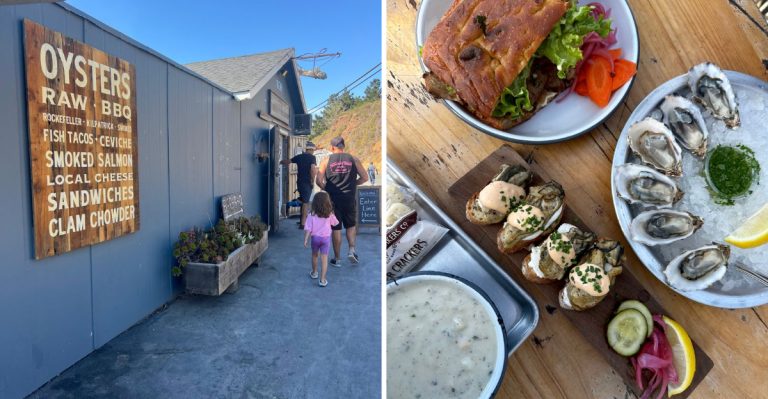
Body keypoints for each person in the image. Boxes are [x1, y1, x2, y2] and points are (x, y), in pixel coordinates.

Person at [316, 136, 368, 266]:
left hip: (333, 199)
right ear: (343, 146)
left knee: (336, 228)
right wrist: (353, 184)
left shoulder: (326, 161)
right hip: (349, 198)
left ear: (332, 147)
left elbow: (318, 180)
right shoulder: (353, 159)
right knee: (350, 225)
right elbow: (365, 178)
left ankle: (337, 259)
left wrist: (326, 188)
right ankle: (351, 250)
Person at [303, 191, 338, 287]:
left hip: (315, 239)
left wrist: (306, 239)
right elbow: (335, 223)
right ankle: (322, 280)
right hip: (326, 239)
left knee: (314, 256)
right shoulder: (329, 214)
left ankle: (314, 273)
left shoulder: (312, 214)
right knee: (324, 258)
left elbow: (308, 229)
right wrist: (332, 213)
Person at [280, 142, 317, 229]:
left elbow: (287, 161)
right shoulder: (312, 157)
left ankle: (300, 218)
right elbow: (312, 170)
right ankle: (303, 224)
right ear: (311, 150)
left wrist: (279, 162)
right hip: (307, 183)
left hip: (300, 182)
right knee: (305, 203)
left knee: (303, 200)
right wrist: (312, 181)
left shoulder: (299, 156)